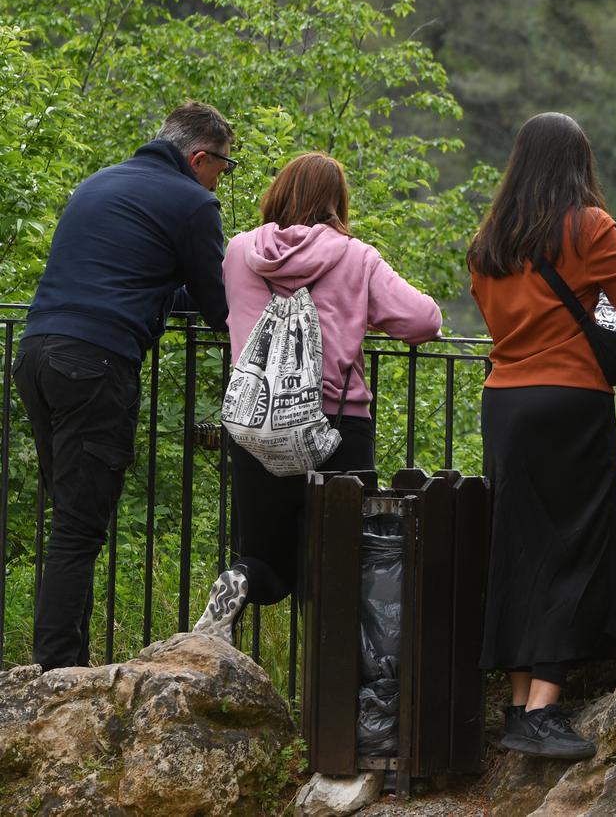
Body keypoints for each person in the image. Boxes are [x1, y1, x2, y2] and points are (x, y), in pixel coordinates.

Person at [13, 101, 234, 670]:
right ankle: (60, 672)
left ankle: (62, 661)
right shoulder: (193, 203)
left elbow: (140, 281)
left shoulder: (100, 183)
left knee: (66, 515)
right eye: (224, 169)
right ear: (199, 157)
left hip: (37, 354)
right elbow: (220, 307)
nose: (221, 181)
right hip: (95, 365)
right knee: (79, 526)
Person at [470, 113, 616, 759]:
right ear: (579, 164)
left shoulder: (490, 239)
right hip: (570, 403)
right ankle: (543, 711)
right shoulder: (588, 227)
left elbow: (497, 319)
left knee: (519, 550)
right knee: (570, 548)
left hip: (505, 403)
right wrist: (598, 302)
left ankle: (520, 703)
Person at [191, 152, 442, 637]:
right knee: (343, 563)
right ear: (337, 204)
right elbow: (424, 320)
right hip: (336, 427)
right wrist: (358, 309)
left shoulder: (240, 252)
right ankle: (336, 693)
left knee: (263, 555)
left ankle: (239, 579)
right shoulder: (355, 256)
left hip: (255, 425)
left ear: (279, 194)